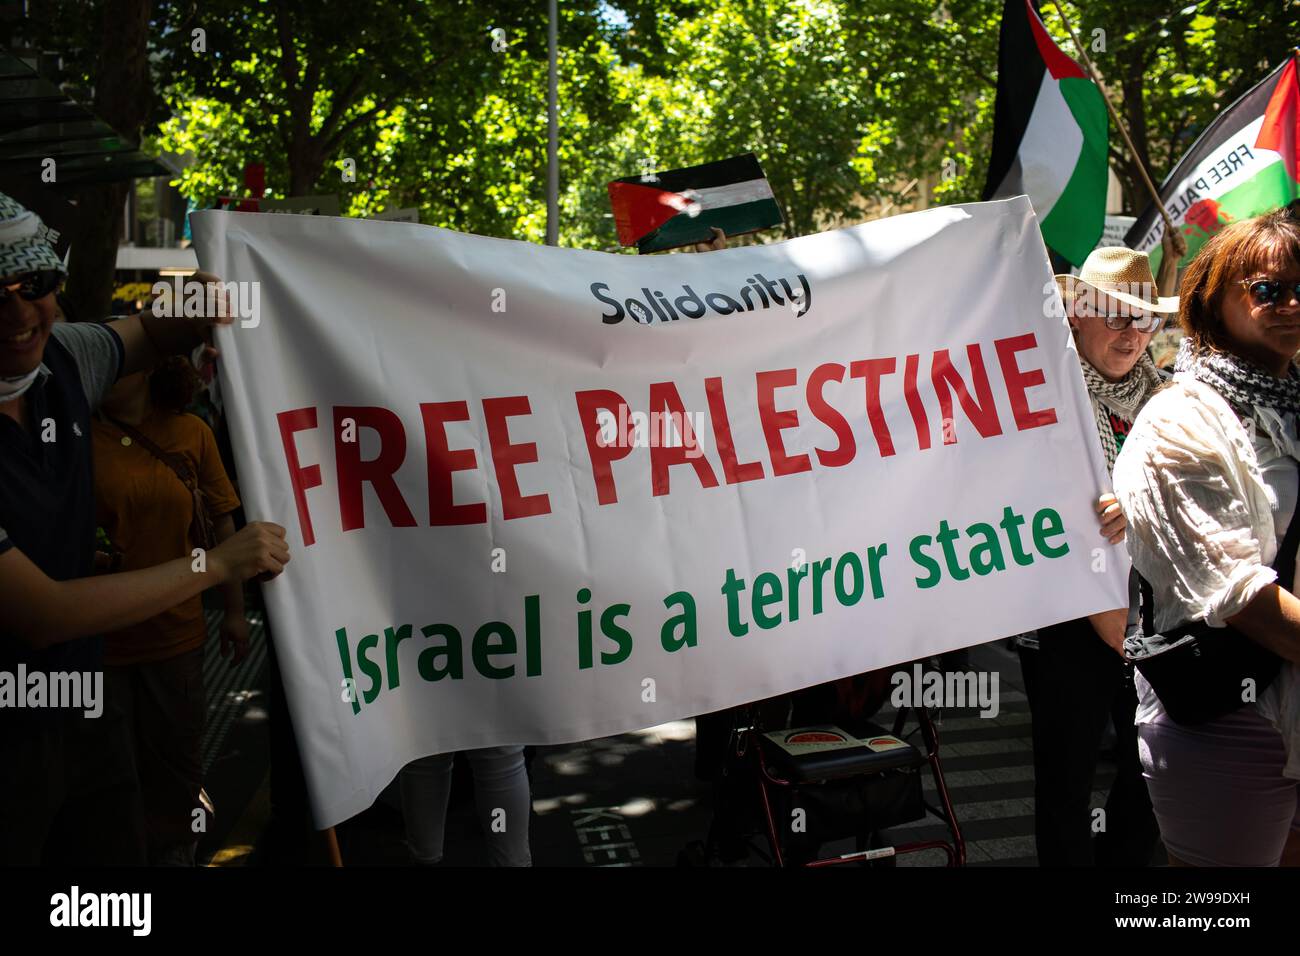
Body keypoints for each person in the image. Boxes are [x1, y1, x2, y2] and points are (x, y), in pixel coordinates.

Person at [0, 191, 288, 865]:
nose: (16, 312)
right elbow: (41, 612)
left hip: (83, 714)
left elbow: (157, 332)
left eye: (34, 284)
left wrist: (215, 289)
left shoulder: (65, 358)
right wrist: (215, 566)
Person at [1114, 201, 1300, 866]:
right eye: (1268, 290)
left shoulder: (1294, 406)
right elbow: (1234, 593)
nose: (1290, 304)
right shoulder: (1177, 422)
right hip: (1228, 714)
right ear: (1210, 299)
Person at [1016, 240, 1180, 867]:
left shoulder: (1168, 403)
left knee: (1155, 771)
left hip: (1152, 616)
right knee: (1065, 783)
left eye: (1144, 316)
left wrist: (1140, 508)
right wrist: (1098, 609)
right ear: (1076, 312)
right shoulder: (1040, 398)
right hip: (1065, 620)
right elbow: (1021, 510)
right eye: (1114, 313)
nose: (1132, 331)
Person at [92, 354, 246, 865]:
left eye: (120, 362)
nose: (108, 372)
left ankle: (176, 851)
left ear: (148, 372)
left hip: (177, 632)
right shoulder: (75, 435)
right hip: (99, 635)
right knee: (111, 769)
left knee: (177, 758)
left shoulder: (191, 432)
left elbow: (224, 524)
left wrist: (235, 612)